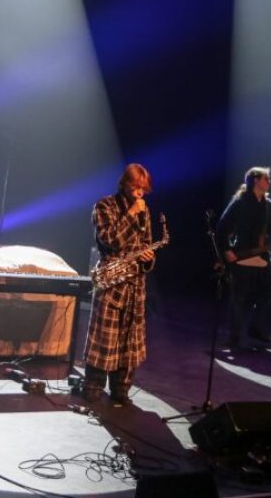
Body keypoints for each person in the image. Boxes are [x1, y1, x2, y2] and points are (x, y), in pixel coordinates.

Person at [83, 163, 156, 406]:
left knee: (129, 340)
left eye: (143, 189)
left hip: (135, 285)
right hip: (112, 282)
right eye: (136, 187)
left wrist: (148, 258)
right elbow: (111, 240)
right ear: (124, 184)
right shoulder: (104, 206)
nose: (139, 193)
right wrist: (132, 213)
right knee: (104, 336)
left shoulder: (145, 211)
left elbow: (146, 242)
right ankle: (92, 387)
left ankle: (120, 390)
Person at [216, 166, 271, 349]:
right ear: (255, 180)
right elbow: (222, 228)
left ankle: (255, 327)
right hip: (242, 256)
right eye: (266, 178)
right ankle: (234, 336)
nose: (269, 182)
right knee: (238, 298)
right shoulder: (240, 202)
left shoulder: (268, 205)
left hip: (262, 257)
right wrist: (226, 251)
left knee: (267, 295)